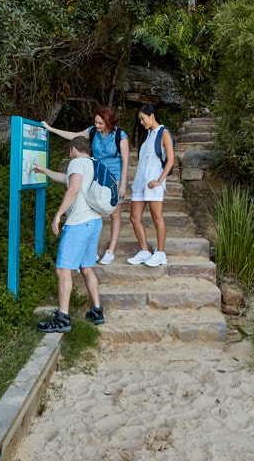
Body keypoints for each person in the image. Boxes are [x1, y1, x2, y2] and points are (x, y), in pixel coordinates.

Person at [33, 136, 105, 332]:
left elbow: (73, 189)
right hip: (94, 221)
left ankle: (63, 318)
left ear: (74, 149)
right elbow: (65, 179)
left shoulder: (76, 163)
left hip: (79, 223)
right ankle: (97, 310)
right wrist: (44, 170)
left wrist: (58, 214)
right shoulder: (93, 164)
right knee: (87, 268)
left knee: (63, 270)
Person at [41, 107, 129, 265]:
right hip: (95, 177)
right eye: (95, 122)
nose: (97, 125)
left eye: (100, 123)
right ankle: (92, 251)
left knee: (114, 213)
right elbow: (74, 136)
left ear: (109, 122)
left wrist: (122, 184)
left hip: (113, 178)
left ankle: (110, 250)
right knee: (93, 209)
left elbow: (125, 160)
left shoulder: (120, 135)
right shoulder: (93, 131)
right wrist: (50, 129)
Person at [127, 103, 175, 267]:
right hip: (140, 183)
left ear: (151, 115)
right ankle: (144, 250)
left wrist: (160, 180)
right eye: (140, 119)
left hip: (154, 184)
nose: (141, 122)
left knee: (157, 217)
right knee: (134, 217)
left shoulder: (164, 133)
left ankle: (160, 253)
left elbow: (170, 160)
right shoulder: (147, 135)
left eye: (143, 118)